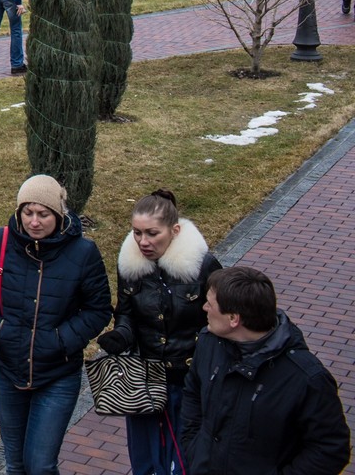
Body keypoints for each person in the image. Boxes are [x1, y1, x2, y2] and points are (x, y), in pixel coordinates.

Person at [0, 175, 111, 475]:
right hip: (7, 371)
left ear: (58, 215)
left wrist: (62, 340)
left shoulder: (83, 253)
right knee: (16, 466)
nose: (34, 222)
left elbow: (98, 309)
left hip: (57, 375)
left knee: (40, 466)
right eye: (28, 212)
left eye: (43, 214)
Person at [93, 189, 221, 475]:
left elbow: (218, 320)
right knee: (146, 462)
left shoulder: (203, 265)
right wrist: (121, 335)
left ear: (174, 230)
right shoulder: (130, 264)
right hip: (144, 382)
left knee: (184, 462)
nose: (143, 241)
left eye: (152, 233)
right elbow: (126, 311)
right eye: (136, 233)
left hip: (188, 382)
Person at [181, 266, 350, 475]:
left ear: (234, 319)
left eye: (210, 303)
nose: (204, 308)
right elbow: (192, 392)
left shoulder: (307, 378)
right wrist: (193, 448)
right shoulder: (209, 343)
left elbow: (330, 449)